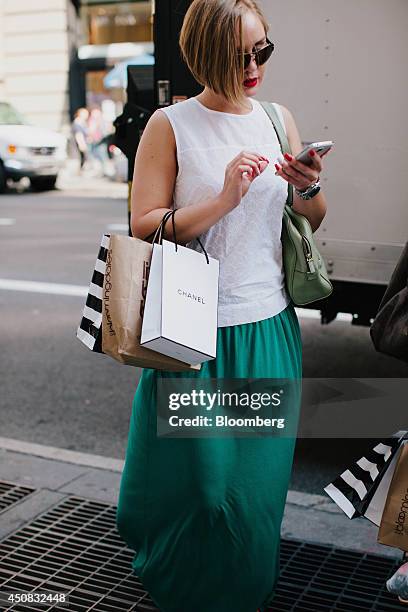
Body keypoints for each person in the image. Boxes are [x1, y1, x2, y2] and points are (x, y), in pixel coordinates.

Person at [116, 1, 329, 611]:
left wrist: (308, 184)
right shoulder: (170, 125)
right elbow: (145, 222)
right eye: (241, 56)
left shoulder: (276, 118)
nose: (256, 64)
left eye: (264, 49)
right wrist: (224, 199)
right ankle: (183, 584)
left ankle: (242, 589)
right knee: (204, 486)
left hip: (268, 328)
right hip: (190, 334)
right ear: (206, 56)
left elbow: (311, 219)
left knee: (254, 486)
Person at [72, 107, 89, 172]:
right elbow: (78, 134)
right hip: (80, 143)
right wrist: (81, 144)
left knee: (83, 158)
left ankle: (81, 170)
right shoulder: (78, 122)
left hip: (83, 142)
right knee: (81, 158)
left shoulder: (82, 122)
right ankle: (79, 171)